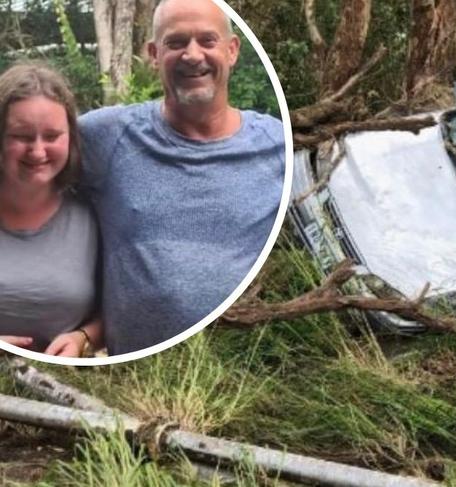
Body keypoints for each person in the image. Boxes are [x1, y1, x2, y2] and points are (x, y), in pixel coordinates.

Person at [78, 0, 285, 355]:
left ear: (232, 50)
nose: (192, 55)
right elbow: (21, 175)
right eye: (176, 43)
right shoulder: (106, 135)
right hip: (139, 378)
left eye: (207, 40)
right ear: (154, 54)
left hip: (253, 372)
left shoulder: (277, 145)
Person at [0, 63, 102, 357]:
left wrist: (85, 338)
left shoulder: (94, 213)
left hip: (67, 385)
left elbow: (121, 304)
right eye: (21, 136)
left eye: (52, 136)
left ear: (71, 137)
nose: (38, 151)